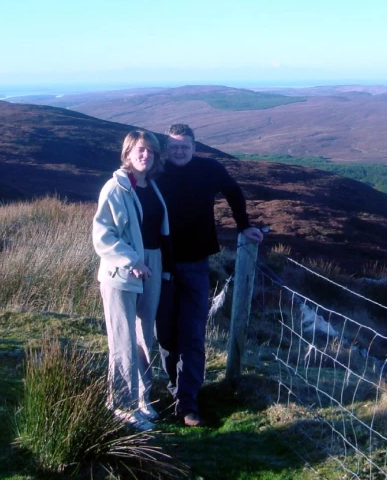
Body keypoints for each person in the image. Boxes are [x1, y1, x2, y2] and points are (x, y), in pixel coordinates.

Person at [156, 123, 263, 427]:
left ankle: (188, 403)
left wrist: (244, 225)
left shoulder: (209, 169)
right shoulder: (156, 170)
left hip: (195, 263)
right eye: (174, 146)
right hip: (159, 265)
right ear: (167, 147)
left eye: (185, 146)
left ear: (194, 146)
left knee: (193, 335)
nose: (179, 151)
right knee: (165, 336)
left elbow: (233, 191)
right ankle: (175, 389)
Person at [92, 130, 172, 432]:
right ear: (128, 153)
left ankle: (141, 398)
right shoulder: (115, 188)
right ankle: (122, 405)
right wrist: (131, 260)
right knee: (122, 338)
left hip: (151, 265)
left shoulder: (151, 186)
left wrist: (159, 264)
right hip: (122, 270)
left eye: (151, 152)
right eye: (140, 150)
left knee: (143, 337)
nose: (145, 156)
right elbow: (102, 236)